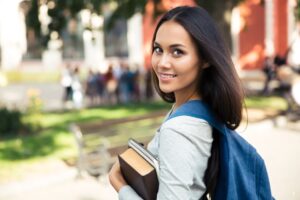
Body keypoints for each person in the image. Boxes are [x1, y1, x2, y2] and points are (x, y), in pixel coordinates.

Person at [109, 6, 272, 199]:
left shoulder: (180, 128)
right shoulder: (202, 109)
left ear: (205, 59)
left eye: (177, 52)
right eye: (158, 49)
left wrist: (119, 184)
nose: (162, 62)